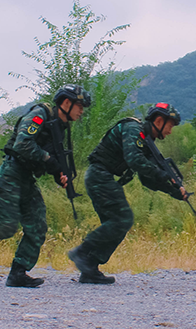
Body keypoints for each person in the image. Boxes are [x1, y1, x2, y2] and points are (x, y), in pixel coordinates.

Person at [0, 84, 91, 287]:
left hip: (27, 178)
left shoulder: (59, 127)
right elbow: (23, 144)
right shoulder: (40, 115)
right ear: (66, 102)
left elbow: (48, 156)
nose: (82, 111)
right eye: (80, 106)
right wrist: (49, 161)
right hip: (11, 175)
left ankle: (18, 273)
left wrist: (57, 173)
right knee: (6, 227)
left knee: (37, 226)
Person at [68, 102, 189, 284]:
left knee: (117, 224)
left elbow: (147, 179)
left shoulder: (147, 142)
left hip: (103, 177)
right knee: (122, 219)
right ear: (158, 120)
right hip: (99, 175)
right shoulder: (133, 129)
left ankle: (89, 268)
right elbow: (135, 160)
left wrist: (174, 191)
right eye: (170, 126)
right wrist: (164, 174)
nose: (170, 131)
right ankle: (82, 253)